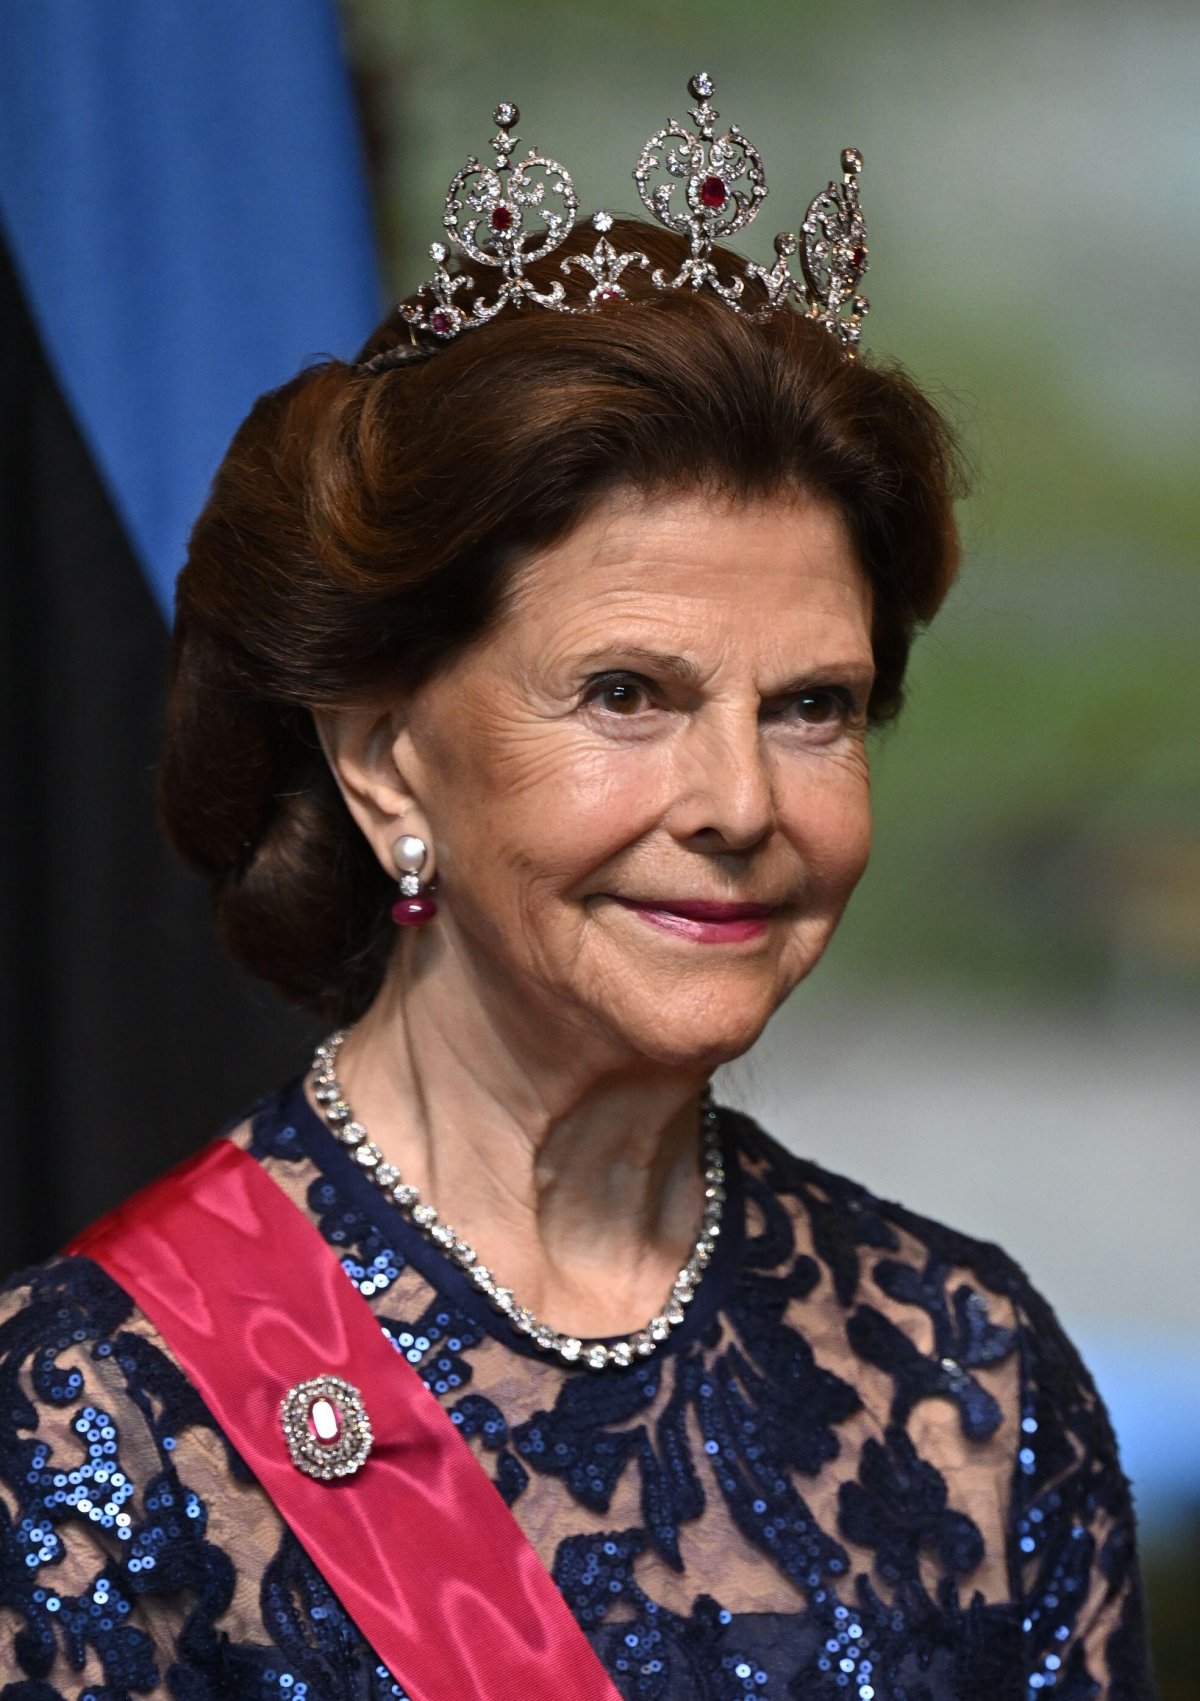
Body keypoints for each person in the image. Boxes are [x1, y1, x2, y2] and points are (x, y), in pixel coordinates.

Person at [0, 78, 1154, 1701]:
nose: (743, 804)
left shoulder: (967, 1370)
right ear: (388, 758)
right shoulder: (93, 1404)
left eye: (811, 706)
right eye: (628, 694)